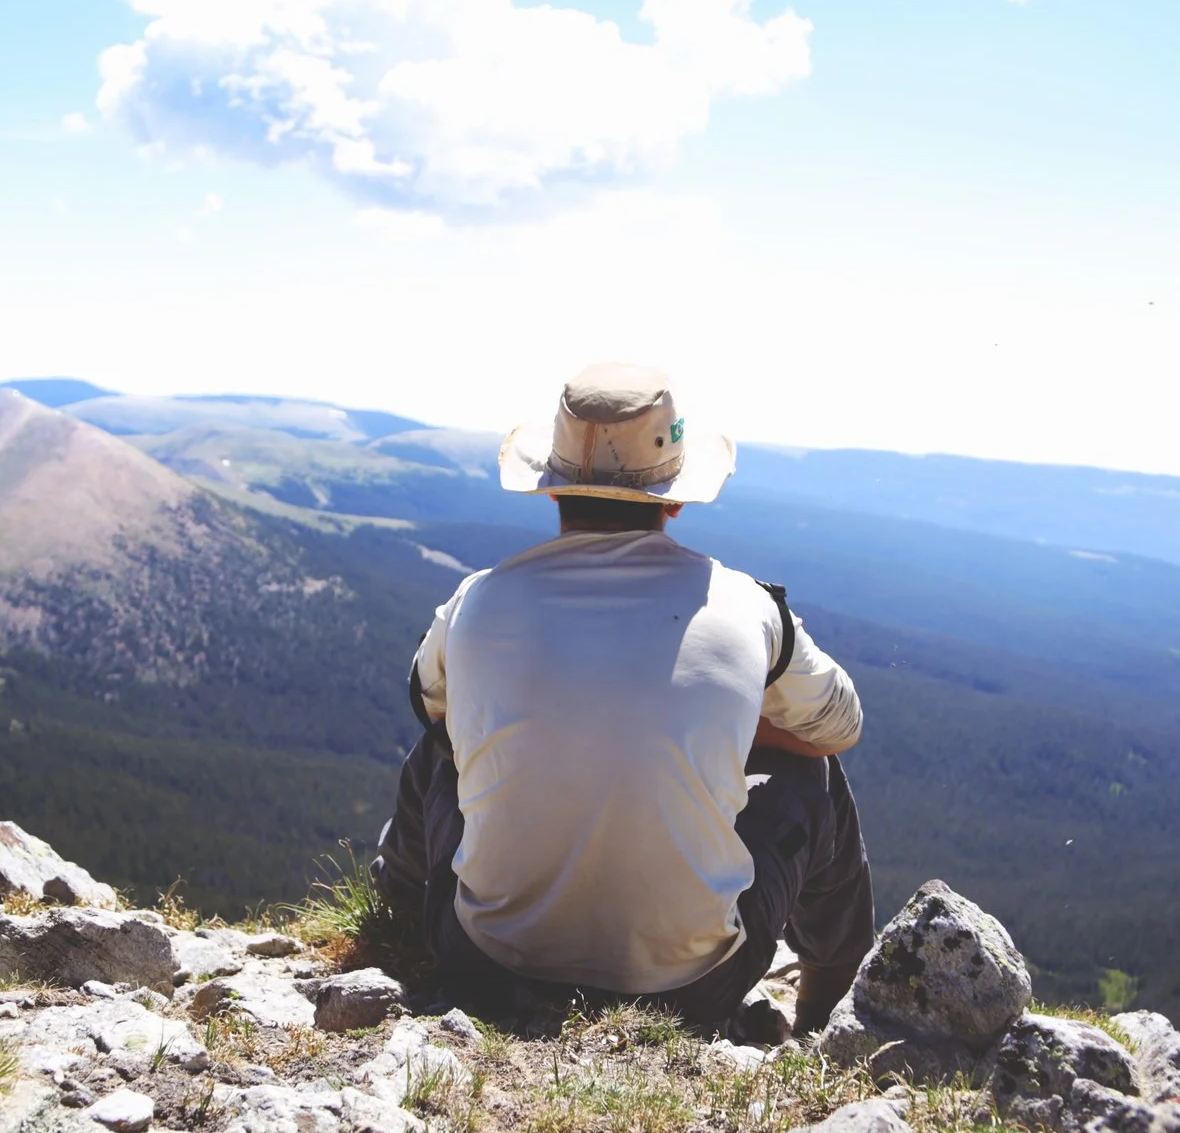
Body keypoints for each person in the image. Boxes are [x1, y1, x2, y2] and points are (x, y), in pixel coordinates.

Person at [372, 362, 874, 1039]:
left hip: (482, 962)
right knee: (815, 777)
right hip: (693, 988)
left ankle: (399, 922)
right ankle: (829, 1008)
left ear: (553, 491)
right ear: (675, 497)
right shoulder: (750, 608)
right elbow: (839, 726)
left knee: (442, 745)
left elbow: (430, 706)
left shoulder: (476, 599)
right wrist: (725, 721)